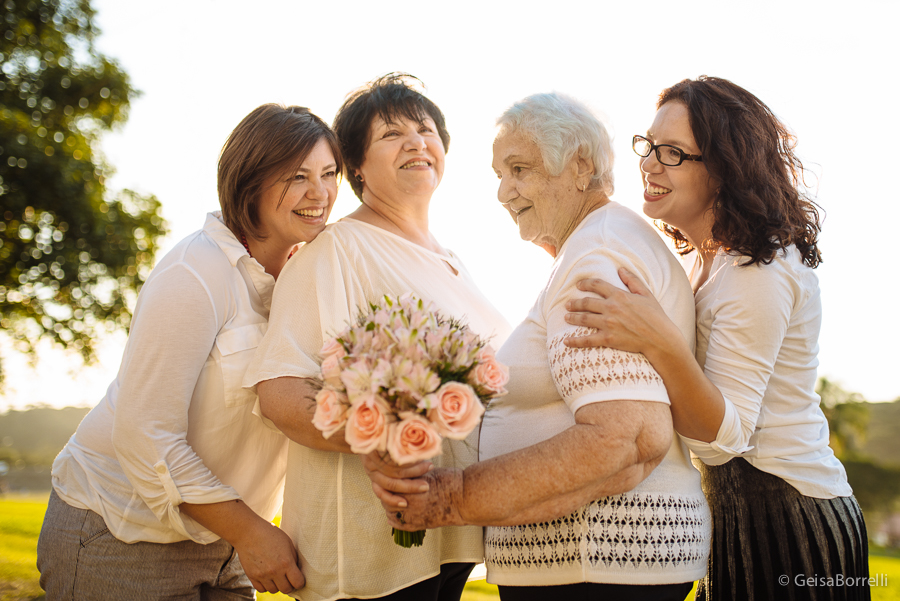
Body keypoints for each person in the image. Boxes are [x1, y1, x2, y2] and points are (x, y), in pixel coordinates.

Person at [365, 92, 711, 601]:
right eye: (500, 174)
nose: (504, 192)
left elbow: (625, 438)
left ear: (580, 166)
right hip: (601, 564)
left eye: (519, 169)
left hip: (595, 570)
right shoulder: (601, 242)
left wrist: (455, 498)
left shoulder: (596, 256)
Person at [563, 76, 869, 600]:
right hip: (728, 513)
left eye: (674, 153)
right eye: (649, 145)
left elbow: (725, 438)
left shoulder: (758, 269)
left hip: (791, 515)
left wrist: (658, 341)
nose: (651, 164)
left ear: (724, 168)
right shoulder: (698, 261)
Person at [36, 104, 342, 599]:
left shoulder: (310, 280)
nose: (320, 193)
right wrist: (250, 533)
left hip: (226, 542)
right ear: (249, 182)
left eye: (329, 174)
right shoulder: (194, 273)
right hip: (119, 534)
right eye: (297, 176)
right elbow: (144, 434)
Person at [242, 74, 511, 601]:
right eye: (391, 134)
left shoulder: (452, 260)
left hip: (450, 535)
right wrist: (383, 441)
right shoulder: (335, 250)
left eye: (425, 129)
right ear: (356, 165)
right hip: (371, 551)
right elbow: (279, 393)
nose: (416, 141)